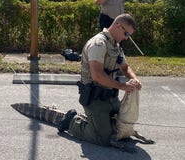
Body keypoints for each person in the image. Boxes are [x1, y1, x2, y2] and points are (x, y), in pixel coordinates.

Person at [58, 14, 141, 148]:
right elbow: (97, 75)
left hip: (110, 97)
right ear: (118, 26)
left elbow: (125, 68)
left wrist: (134, 79)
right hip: (94, 99)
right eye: (126, 33)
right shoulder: (98, 44)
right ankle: (71, 122)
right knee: (103, 139)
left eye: (129, 36)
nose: (126, 37)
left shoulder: (116, 45)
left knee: (123, 126)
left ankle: (95, 122)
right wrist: (122, 86)